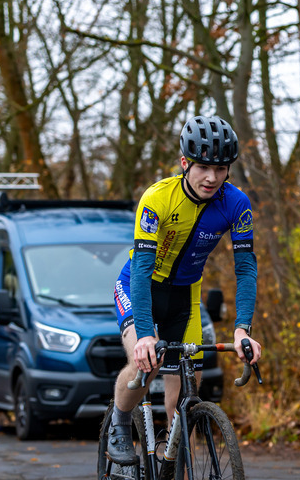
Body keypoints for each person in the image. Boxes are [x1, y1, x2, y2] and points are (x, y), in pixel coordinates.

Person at [107, 115, 262, 461]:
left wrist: (242, 330)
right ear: (184, 163)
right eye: (204, 167)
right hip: (140, 286)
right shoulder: (157, 198)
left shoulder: (236, 204)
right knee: (145, 364)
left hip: (185, 296)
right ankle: (119, 424)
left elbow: (246, 269)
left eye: (221, 169)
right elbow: (143, 269)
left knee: (187, 392)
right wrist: (146, 334)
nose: (212, 177)